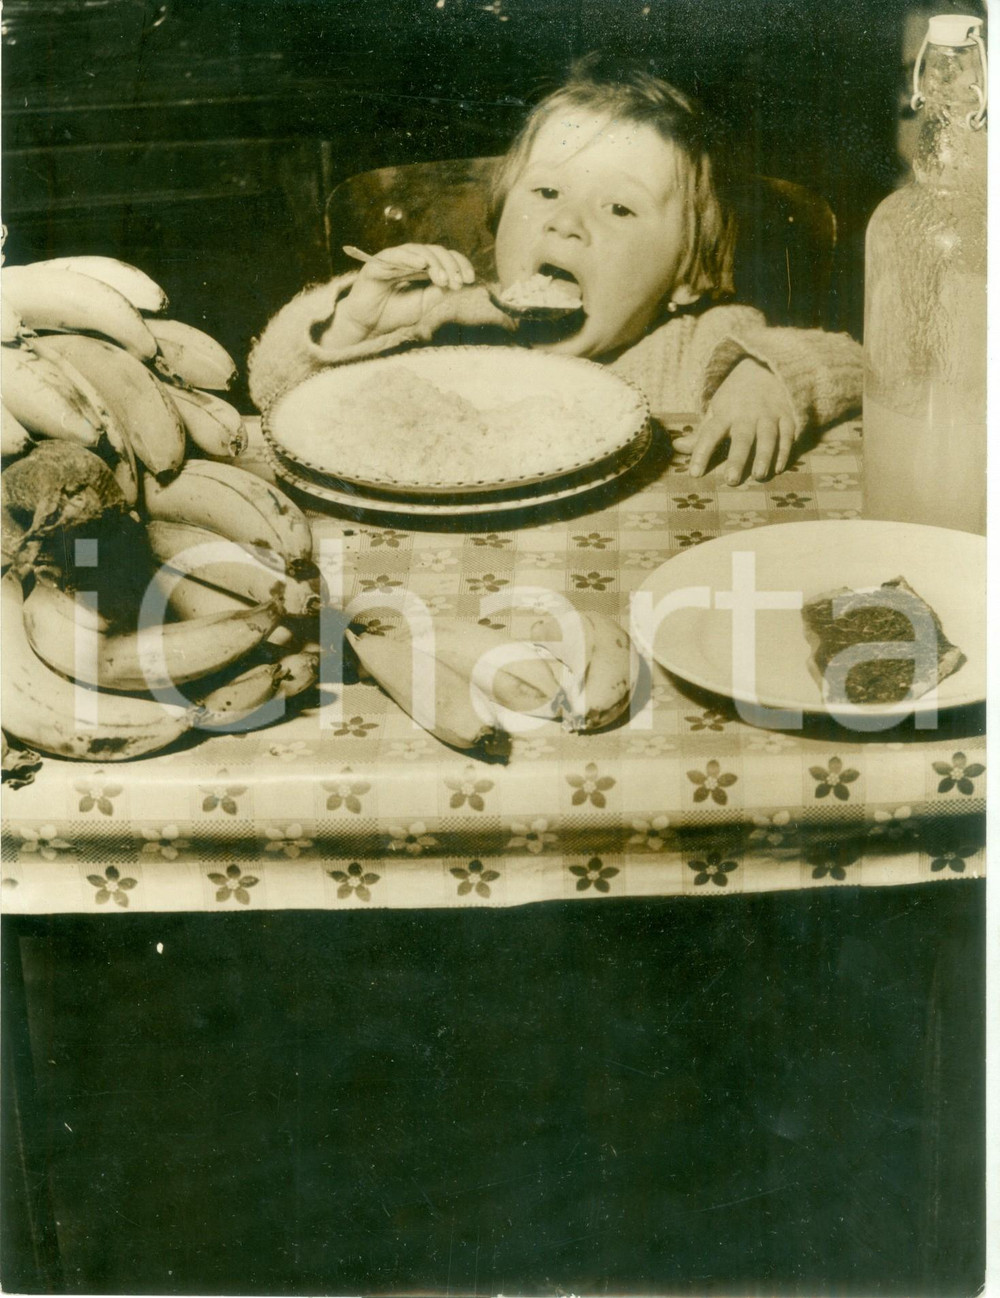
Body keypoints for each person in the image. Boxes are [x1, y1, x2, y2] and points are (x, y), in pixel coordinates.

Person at [248, 59, 861, 484]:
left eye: (619, 208)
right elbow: (275, 399)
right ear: (498, 215)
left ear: (687, 276)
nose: (567, 223)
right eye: (545, 191)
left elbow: (864, 369)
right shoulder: (445, 326)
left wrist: (770, 376)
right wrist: (360, 320)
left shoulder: (708, 346)